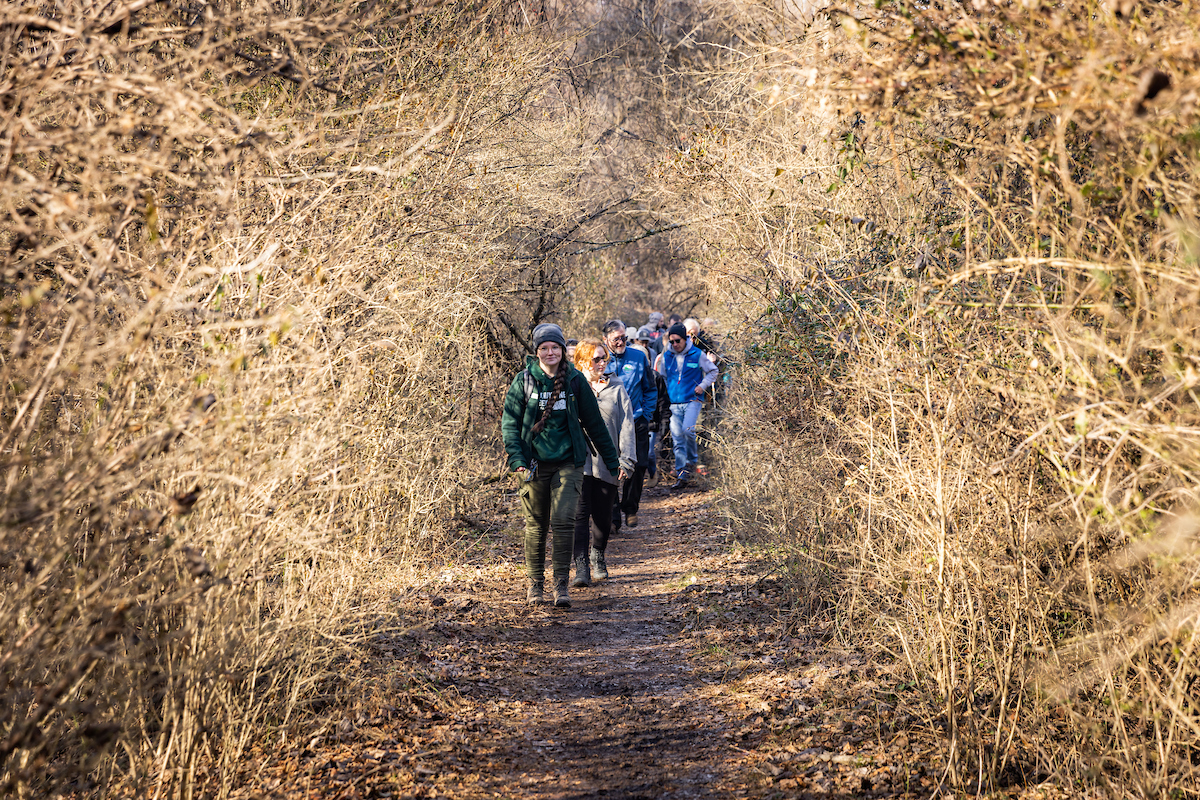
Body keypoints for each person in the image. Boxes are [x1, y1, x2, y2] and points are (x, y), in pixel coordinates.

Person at [502, 323, 623, 608]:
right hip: (532, 465)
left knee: (564, 520)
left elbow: (595, 424)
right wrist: (517, 458)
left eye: (555, 347)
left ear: (561, 350)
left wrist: (612, 461)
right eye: (544, 348)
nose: (550, 352)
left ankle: (560, 586)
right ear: (537, 351)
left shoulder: (575, 381)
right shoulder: (523, 381)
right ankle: (535, 585)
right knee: (536, 525)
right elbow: (510, 424)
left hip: (569, 463)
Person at [570, 338, 635, 587]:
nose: (602, 363)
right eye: (596, 359)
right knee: (579, 514)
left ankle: (598, 554)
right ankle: (581, 566)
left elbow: (627, 426)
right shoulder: (571, 387)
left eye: (604, 358)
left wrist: (626, 461)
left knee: (603, 515)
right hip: (578, 462)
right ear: (581, 361)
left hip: (608, 462)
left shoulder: (617, 388)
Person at [602, 319, 657, 529]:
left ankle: (630, 508)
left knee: (640, 464)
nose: (621, 342)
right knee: (610, 469)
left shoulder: (638, 356)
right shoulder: (599, 359)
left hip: (636, 420)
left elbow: (650, 388)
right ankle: (613, 516)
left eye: (624, 338)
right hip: (608, 424)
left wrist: (647, 415)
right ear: (605, 339)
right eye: (616, 339)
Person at [654, 322, 719, 491]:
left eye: (678, 341)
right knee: (677, 437)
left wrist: (702, 385)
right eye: (672, 341)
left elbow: (713, 371)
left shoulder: (697, 354)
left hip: (692, 400)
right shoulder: (667, 356)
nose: (675, 344)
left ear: (685, 339)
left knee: (688, 430)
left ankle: (692, 461)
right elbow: (663, 377)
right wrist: (667, 393)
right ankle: (681, 473)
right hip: (674, 403)